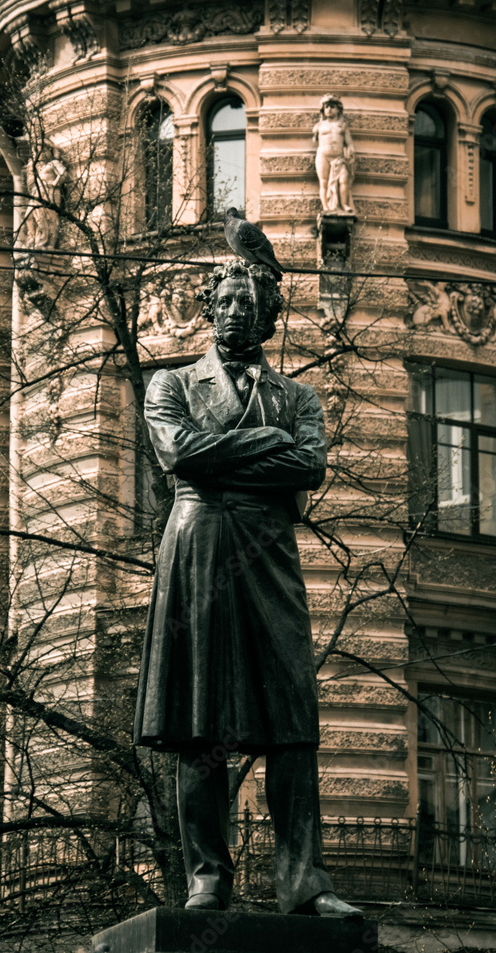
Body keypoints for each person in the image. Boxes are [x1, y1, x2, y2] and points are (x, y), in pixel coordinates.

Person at [133, 258, 361, 918]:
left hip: (268, 552)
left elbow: (309, 464)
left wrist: (226, 450)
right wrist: (265, 444)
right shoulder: (169, 382)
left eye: (248, 304)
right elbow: (178, 453)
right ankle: (207, 877)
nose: (236, 312)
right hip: (198, 547)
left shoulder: (299, 397)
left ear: (267, 317)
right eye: (226, 301)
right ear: (211, 309)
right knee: (200, 719)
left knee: (292, 721)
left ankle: (305, 883)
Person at [312, 94, 355, 213]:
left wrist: (351, 151)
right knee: (324, 182)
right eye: (326, 107)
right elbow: (315, 140)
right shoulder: (319, 126)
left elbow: (349, 142)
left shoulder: (342, 125)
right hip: (323, 156)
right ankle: (326, 207)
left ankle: (344, 204)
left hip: (339, 157)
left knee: (343, 180)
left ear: (338, 109)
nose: (329, 109)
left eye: (332, 106)